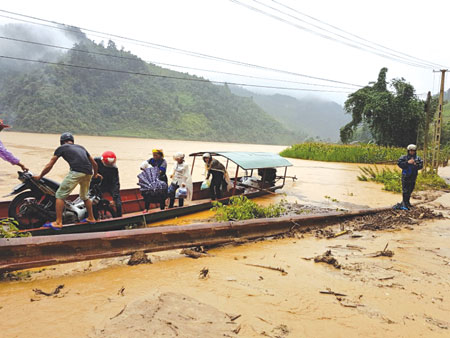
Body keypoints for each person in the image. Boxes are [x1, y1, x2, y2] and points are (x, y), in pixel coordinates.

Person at [33, 132, 99, 229]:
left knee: (59, 195)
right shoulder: (81, 147)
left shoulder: (62, 148)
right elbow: (94, 163)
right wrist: (96, 174)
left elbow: (50, 165)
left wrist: (40, 176)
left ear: (61, 142)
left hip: (76, 172)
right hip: (88, 173)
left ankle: (58, 222)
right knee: (84, 196)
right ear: (72, 141)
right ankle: (91, 218)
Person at [92, 151, 122, 217]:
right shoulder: (95, 161)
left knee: (118, 202)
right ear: (102, 160)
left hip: (110, 185)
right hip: (98, 184)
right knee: (94, 200)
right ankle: (94, 216)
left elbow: (116, 184)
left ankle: (119, 217)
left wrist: (114, 199)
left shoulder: (114, 168)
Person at [397, 144, 423, 210]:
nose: (412, 152)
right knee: (405, 190)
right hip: (406, 176)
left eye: (413, 151)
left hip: (413, 176)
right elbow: (400, 164)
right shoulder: (404, 157)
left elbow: (421, 166)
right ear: (408, 151)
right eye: (410, 151)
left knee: (410, 189)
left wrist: (415, 164)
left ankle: (407, 202)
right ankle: (404, 203)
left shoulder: (418, 158)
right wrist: (407, 162)